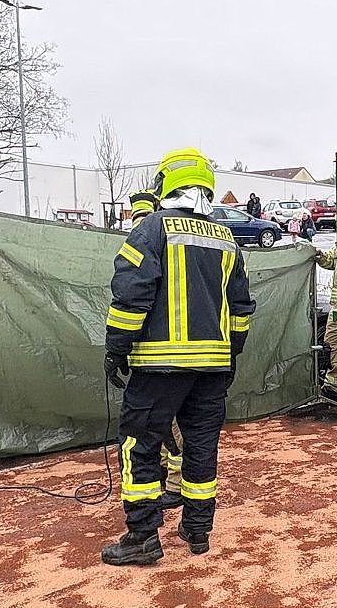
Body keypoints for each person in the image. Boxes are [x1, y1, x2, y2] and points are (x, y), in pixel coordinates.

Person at [102, 148, 255, 565]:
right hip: (213, 367)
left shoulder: (152, 228)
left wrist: (116, 348)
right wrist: (231, 354)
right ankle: (198, 529)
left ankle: (142, 537)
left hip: (158, 367)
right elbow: (241, 307)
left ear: (166, 183)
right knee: (201, 446)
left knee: (139, 446)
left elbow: (131, 295)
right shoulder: (226, 238)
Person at [127, 188, 183, 508]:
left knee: (169, 428)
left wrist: (118, 347)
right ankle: (168, 476)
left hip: (163, 354)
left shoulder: (149, 236)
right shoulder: (161, 234)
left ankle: (175, 484)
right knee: (163, 428)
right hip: (164, 351)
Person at [315, 247, 337, 398]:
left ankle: (334, 386)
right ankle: (333, 386)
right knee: (331, 344)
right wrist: (320, 256)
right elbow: (330, 261)